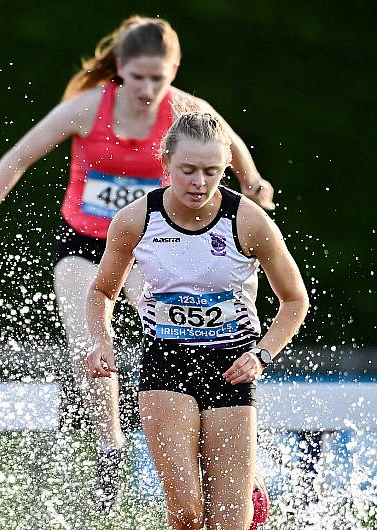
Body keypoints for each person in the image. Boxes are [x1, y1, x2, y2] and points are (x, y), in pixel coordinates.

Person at [0, 15, 277, 508]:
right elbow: (17, 158)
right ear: (119, 68)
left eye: (159, 78)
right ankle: (110, 447)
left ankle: (232, 460)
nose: (147, 88)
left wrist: (254, 185)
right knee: (89, 336)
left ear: (174, 71)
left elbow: (232, 148)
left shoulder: (185, 112)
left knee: (189, 328)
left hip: (152, 244)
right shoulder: (90, 108)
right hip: (85, 244)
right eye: (137, 77)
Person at [85, 112, 308, 529]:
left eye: (212, 172)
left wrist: (262, 355)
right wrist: (101, 339)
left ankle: (248, 486)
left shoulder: (250, 221)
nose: (199, 183)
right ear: (165, 164)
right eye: (187, 170)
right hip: (166, 363)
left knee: (231, 521)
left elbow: (295, 300)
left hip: (231, 367)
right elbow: (101, 292)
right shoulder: (136, 220)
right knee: (187, 514)